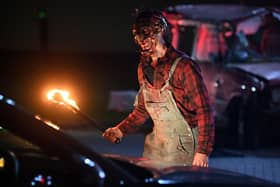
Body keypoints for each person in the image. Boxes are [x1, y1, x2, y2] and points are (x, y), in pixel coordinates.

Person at [103, 9, 214, 167]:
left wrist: (202, 152)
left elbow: (205, 111)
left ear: (160, 32)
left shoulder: (184, 67)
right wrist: (120, 130)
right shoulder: (143, 68)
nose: (142, 40)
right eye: (138, 36)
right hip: (157, 148)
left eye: (146, 34)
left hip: (186, 149)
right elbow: (143, 110)